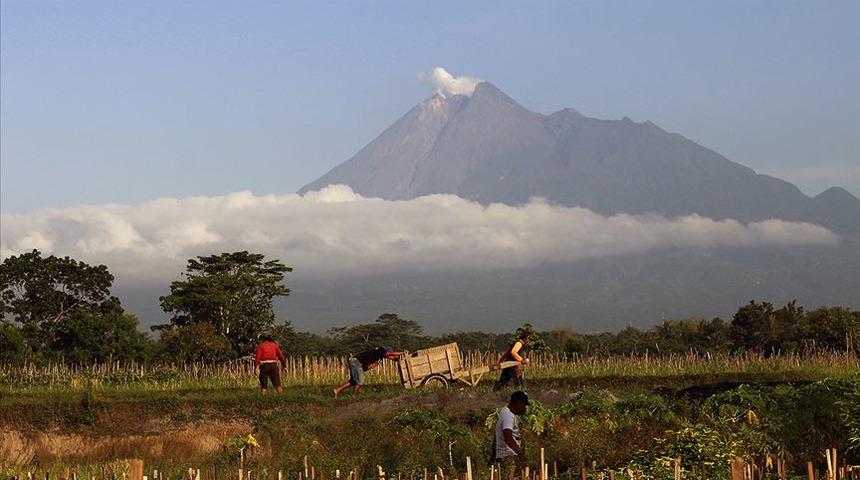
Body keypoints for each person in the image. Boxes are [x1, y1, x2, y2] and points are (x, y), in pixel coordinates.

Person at [332, 345, 406, 397]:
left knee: (353, 381)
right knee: (360, 382)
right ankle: (354, 397)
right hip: (356, 362)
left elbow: (390, 357)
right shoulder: (380, 350)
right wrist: (402, 353)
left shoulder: (378, 354)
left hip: (355, 361)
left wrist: (397, 359)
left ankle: (337, 390)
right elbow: (389, 354)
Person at [493, 390, 528, 474]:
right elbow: (508, 437)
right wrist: (520, 455)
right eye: (524, 405)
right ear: (518, 404)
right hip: (508, 455)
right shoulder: (508, 416)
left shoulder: (506, 412)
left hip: (507, 455)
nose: (525, 408)